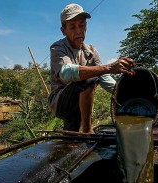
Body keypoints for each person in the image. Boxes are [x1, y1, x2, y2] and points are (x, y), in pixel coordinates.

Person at [48, 3, 136, 133]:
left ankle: (72, 141)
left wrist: (126, 94)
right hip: (61, 102)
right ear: (63, 30)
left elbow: (105, 78)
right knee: (88, 80)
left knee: (71, 136)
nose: (78, 31)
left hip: (81, 102)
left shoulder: (91, 51)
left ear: (86, 26)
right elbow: (66, 73)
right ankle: (87, 130)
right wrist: (110, 67)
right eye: (72, 27)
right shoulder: (57, 48)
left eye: (82, 25)